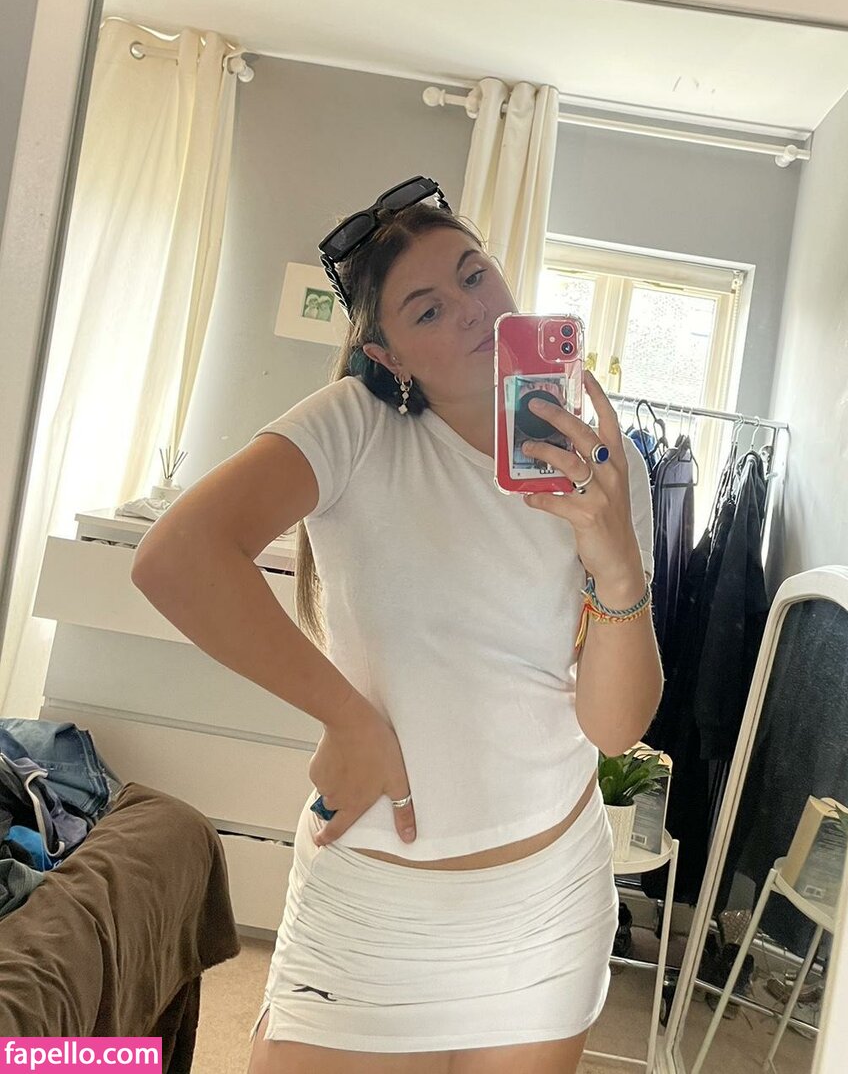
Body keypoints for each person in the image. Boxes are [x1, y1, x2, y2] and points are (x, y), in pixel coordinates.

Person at [131, 175, 663, 1074]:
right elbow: (175, 557)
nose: (471, 308)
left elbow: (615, 727)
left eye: (475, 274)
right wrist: (349, 718)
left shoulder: (606, 467)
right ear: (389, 354)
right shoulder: (353, 426)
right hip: (369, 905)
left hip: (544, 907)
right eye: (428, 308)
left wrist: (615, 558)